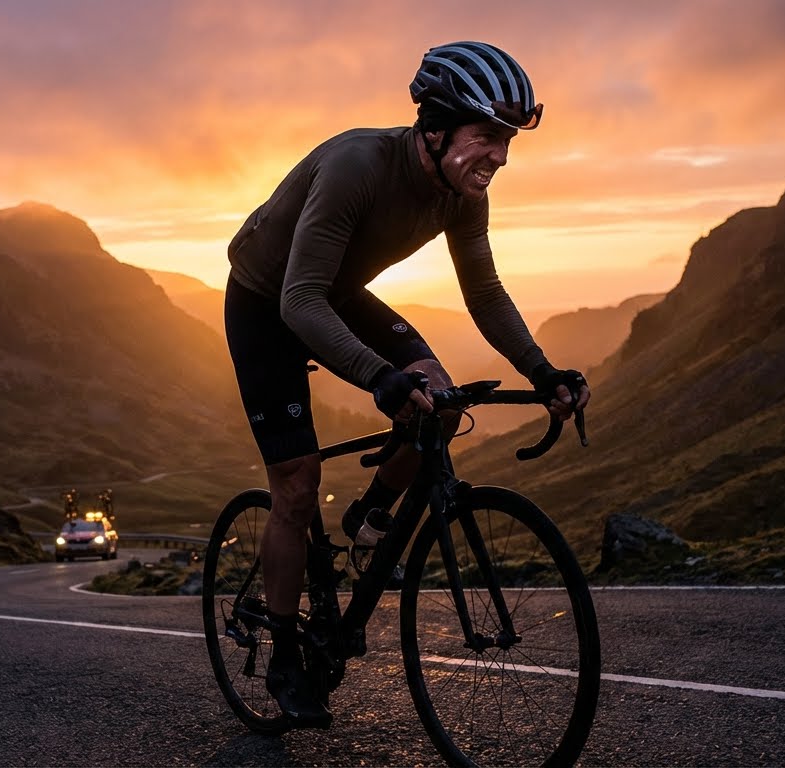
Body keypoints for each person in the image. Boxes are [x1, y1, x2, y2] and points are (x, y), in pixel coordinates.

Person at [223, 41, 590, 728]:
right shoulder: (356, 166)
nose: (499, 157)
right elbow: (299, 305)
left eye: (506, 142)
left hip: (331, 292)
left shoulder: (461, 194)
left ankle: (369, 518)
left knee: (441, 401)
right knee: (296, 487)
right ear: (436, 126)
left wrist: (540, 370)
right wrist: (378, 377)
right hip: (268, 300)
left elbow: (483, 290)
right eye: (487, 137)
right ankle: (281, 657)